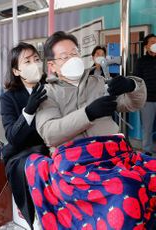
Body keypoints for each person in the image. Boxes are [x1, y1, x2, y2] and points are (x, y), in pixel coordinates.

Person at [24, 31, 156, 230]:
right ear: (52, 65)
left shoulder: (99, 83)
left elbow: (132, 104)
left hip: (116, 154)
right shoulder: (47, 93)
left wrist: (132, 85)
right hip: (76, 163)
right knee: (126, 187)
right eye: (65, 56)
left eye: (75, 53)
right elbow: (50, 133)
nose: (72, 59)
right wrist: (88, 113)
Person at [0, 42, 47, 228]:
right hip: (21, 151)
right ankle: (35, 219)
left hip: (50, 146)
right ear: (16, 71)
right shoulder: (8, 98)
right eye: (27, 61)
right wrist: (29, 110)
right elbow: (13, 136)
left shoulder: (51, 88)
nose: (34, 64)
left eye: (36, 59)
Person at [134, 34, 156, 155]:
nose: (155, 44)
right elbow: (138, 80)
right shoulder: (141, 61)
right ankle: (147, 151)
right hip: (147, 100)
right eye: (152, 42)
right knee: (147, 127)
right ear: (146, 46)